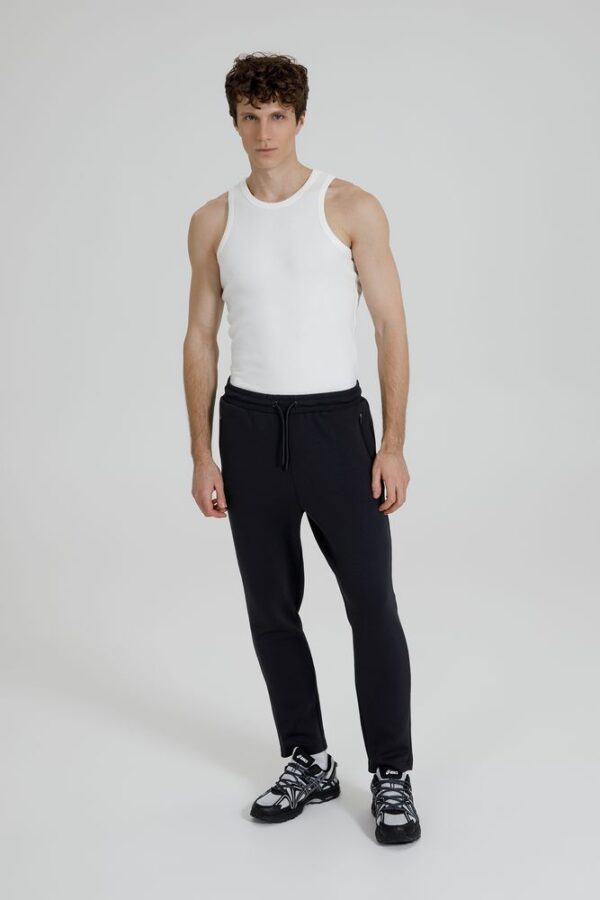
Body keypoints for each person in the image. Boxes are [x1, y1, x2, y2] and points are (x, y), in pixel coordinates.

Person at [183, 51, 421, 845]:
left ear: (300, 118)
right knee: (270, 608)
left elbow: (390, 327)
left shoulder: (350, 206)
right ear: (234, 122)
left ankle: (392, 772)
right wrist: (202, 453)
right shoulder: (214, 220)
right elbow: (200, 337)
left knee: (371, 606)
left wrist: (392, 443)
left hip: (334, 428)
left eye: (277, 116)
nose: (264, 132)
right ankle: (308, 758)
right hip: (249, 428)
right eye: (250, 117)